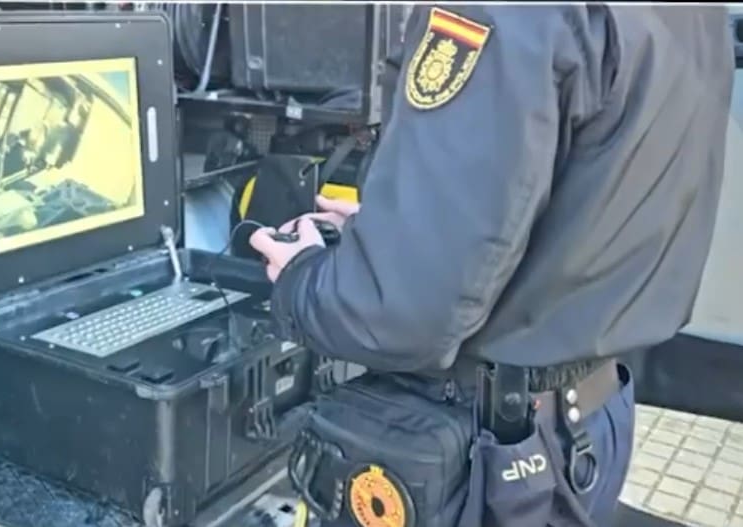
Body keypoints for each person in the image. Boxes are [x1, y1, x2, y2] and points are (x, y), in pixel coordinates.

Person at [250, 5, 732, 527]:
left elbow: (399, 316)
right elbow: (582, 194)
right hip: (592, 418)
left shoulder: (497, 12)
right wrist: (398, 235)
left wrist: (304, 277)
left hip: (493, 455)